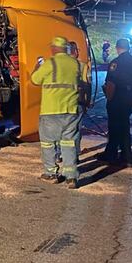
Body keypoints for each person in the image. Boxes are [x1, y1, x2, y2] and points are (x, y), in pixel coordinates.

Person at [31, 36, 84, 189]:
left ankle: (51, 173)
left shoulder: (49, 63)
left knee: (48, 144)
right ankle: (71, 177)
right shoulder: (75, 63)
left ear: (53, 48)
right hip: (70, 110)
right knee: (69, 143)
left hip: (51, 109)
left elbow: (35, 80)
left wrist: (37, 66)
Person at [101, 38, 132, 167]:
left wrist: (109, 97)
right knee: (123, 123)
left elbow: (110, 83)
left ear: (117, 48)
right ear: (129, 47)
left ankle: (119, 155)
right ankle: (116, 153)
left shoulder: (115, 63)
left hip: (118, 97)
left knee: (116, 126)